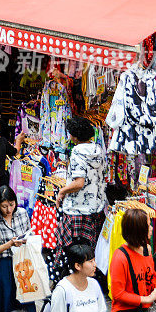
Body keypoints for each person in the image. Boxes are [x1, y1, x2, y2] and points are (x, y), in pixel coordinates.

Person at [55, 117, 107, 273]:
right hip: (95, 208)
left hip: (77, 209)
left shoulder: (78, 152)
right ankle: (88, 277)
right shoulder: (98, 150)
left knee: (70, 249)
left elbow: (79, 183)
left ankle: (70, 277)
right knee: (89, 248)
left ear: (75, 136)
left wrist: (62, 191)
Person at [0, 186, 35, 312]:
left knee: (26, 298)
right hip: (4, 264)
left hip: (23, 261)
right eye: (4, 206)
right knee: (3, 299)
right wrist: (10, 244)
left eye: (11, 205)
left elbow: (30, 233)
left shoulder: (23, 213)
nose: (9, 210)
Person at [109, 208, 156, 312]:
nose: (151, 228)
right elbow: (118, 294)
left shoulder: (147, 249)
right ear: (139, 231)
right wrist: (146, 299)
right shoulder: (120, 257)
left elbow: (148, 278)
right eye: (148, 226)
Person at [50, 243, 107, 312]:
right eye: (91, 261)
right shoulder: (62, 290)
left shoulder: (94, 285)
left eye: (94, 260)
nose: (95, 264)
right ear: (77, 266)